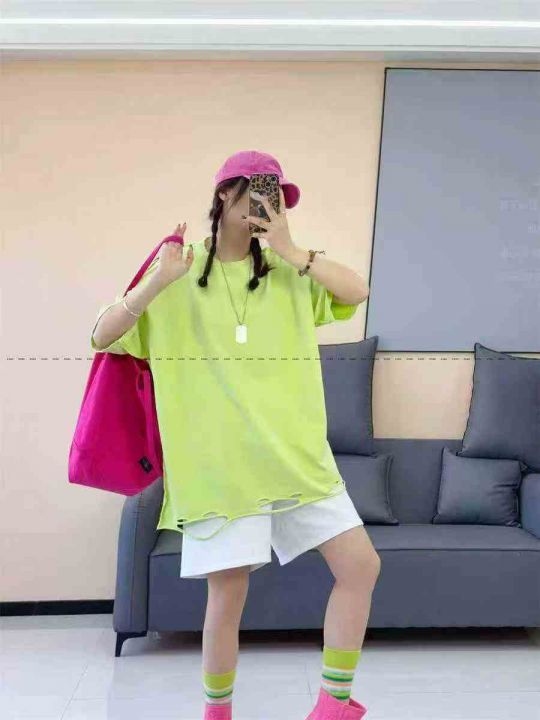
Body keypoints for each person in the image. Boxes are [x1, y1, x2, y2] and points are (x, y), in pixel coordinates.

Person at [91, 150, 380, 720]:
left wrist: (293, 251)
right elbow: (102, 335)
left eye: (277, 199)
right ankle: (218, 714)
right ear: (226, 193)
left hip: (296, 459)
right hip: (217, 466)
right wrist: (156, 282)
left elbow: (356, 291)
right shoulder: (178, 268)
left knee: (361, 566)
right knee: (227, 595)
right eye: (259, 193)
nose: (267, 208)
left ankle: (333, 705)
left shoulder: (291, 271)